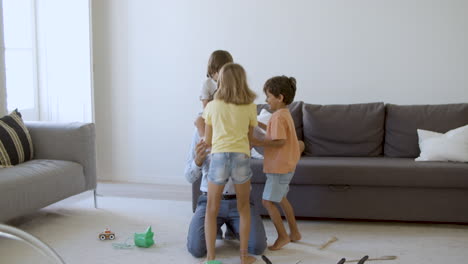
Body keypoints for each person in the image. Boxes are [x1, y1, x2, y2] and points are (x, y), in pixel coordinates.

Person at [202, 63, 258, 264]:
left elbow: (208, 140)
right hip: (241, 156)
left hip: (219, 156)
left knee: (211, 208)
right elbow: (250, 139)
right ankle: (243, 257)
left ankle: (211, 257)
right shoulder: (250, 106)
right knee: (244, 207)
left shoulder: (211, 106)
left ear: (221, 82)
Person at [184, 130, 267, 258]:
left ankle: (232, 227)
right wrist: (198, 161)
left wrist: (254, 143)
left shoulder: (243, 126)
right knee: (196, 249)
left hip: (239, 202)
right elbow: (189, 177)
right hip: (208, 201)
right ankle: (215, 227)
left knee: (257, 247)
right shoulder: (201, 131)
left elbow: (266, 146)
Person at [253, 76, 302, 251]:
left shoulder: (278, 117)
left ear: (280, 97)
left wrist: (256, 142)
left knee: (267, 201)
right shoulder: (283, 114)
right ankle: (294, 232)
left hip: (279, 167)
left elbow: (279, 141)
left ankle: (283, 236)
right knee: (280, 198)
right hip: (285, 166)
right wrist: (257, 124)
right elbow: (274, 132)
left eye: (268, 96)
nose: (266, 100)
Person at [195, 50, 234, 138]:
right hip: (209, 111)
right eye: (219, 71)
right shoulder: (207, 84)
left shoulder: (232, 83)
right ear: (213, 71)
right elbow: (205, 106)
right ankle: (204, 139)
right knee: (199, 120)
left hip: (226, 110)